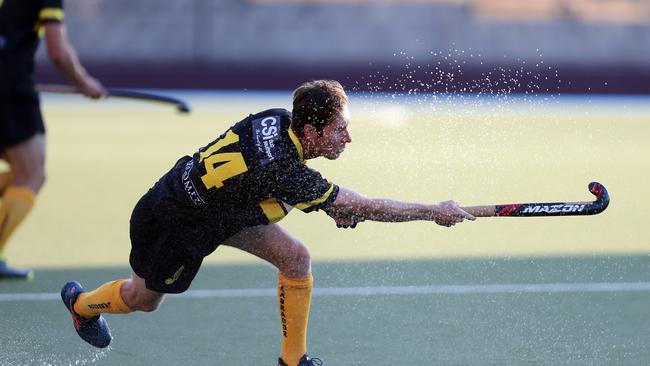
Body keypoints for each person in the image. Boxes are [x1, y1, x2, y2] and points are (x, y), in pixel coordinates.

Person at [60, 80, 475, 366]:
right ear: (311, 130)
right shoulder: (287, 171)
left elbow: (258, 180)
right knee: (143, 300)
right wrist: (433, 211)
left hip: (216, 211)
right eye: (340, 129)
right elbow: (363, 206)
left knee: (296, 258)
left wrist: (329, 205)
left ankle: (293, 359)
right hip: (173, 222)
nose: (347, 139)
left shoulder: (279, 119)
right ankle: (80, 305)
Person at [0, 0, 106, 279]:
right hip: (9, 87)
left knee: (19, 172)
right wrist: (83, 81)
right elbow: (57, 50)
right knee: (31, 175)